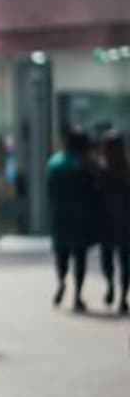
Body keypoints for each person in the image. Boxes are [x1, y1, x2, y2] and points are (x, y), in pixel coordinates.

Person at [46, 128, 100, 312]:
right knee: (80, 257)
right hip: (82, 216)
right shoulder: (87, 164)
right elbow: (95, 191)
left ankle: (61, 282)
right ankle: (77, 294)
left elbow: (50, 190)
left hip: (61, 215)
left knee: (62, 254)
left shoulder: (55, 162)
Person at [97, 129, 129, 314]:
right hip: (126, 221)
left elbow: (94, 195)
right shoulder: (127, 170)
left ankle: (110, 285)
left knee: (107, 257)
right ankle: (124, 296)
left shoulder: (102, 170)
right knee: (125, 261)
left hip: (106, 220)